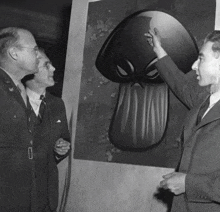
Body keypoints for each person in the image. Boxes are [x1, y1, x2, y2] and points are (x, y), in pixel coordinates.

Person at [146, 29, 220, 211]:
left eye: (201, 58)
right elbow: (181, 84)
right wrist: (158, 49)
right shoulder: (205, 100)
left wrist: (189, 184)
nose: (195, 65)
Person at [23, 49, 71, 211]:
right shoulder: (11, 103)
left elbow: (64, 140)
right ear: (31, 72)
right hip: (17, 191)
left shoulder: (57, 104)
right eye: (46, 65)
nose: (54, 69)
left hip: (46, 193)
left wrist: (60, 149)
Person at [0, 27, 40, 211]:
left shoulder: (21, 88)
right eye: (34, 49)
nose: (38, 55)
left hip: (21, 190)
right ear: (13, 53)